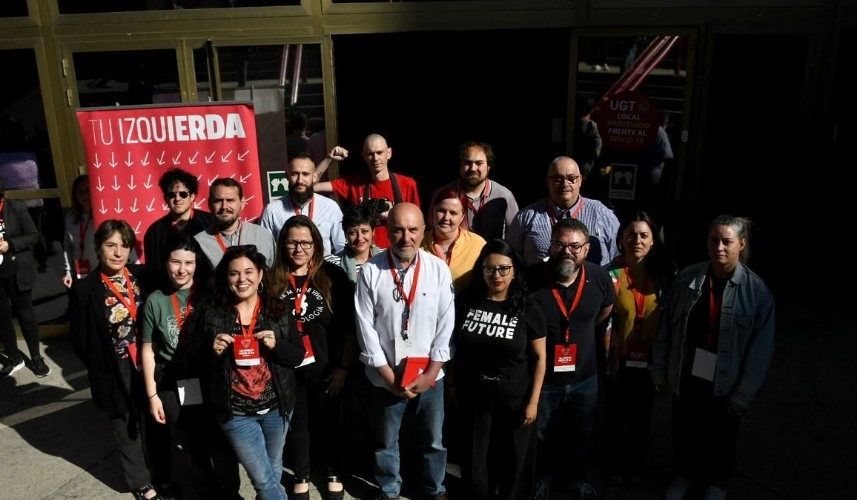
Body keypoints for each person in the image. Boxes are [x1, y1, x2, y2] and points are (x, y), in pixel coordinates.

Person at [651, 215, 775, 500]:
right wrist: (659, 370)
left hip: (726, 379)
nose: (719, 247)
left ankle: (716, 482)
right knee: (685, 429)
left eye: (726, 241)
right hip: (687, 372)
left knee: (721, 434)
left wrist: (744, 394)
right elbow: (666, 328)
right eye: (713, 240)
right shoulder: (688, 279)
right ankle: (684, 474)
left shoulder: (757, 292)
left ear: (741, 244)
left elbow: (761, 350)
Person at [354, 202, 454, 500]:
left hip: (429, 377)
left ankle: (435, 488)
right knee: (386, 441)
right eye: (397, 229)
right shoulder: (371, 270)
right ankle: (389, 490)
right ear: (386, 232)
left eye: (412, 229)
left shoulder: (437, 269)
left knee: (434, 440)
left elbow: (446, 324)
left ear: (424, 231)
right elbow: (365, 327)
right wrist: (387, 376)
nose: (405, 237)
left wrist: (432, 372)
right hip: (386, 376)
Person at [193, 245, 306, 500]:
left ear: (260, 274)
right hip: (237, 414)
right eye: (234, 273)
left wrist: (276, 345)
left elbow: (297, 355)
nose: (242, 279)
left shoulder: (277, 309)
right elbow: (197, 363)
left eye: (248, 272)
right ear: (226, 278)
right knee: (264, 481)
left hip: (277, 409)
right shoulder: (211, 312)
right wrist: (213, 351)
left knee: (273, 471)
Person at [68, 219, 161, 499]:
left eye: (124, 245)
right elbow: (80, 340)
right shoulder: (85, 290)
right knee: (125, 424)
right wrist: (101, 365)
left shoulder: (143, 276)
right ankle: (141, 482)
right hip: (115, 367)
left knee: (154, 419)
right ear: (98, 248)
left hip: (149, 360)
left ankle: (161, 472)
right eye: (111, 245)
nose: (118, 252)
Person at [527, 218, 615, 500]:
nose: (567, 251)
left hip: (584, 377)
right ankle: (544, 477)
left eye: (575, 246)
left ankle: (577, 479)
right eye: (560, 244)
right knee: (542, 435)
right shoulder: (531, 279)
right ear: (550, 246)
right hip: (544, 379)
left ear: (586, 249)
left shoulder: (599, 278)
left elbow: (604, 312)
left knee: (581, 433)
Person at [270, 215, 357, 500]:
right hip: (287, 369)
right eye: (292, 242)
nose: (299, 248)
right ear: (283, 244)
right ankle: (301, 473)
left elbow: (348, 328)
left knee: (331, 420)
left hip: (327, 367)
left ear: (316, 245)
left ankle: (333, 471)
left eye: (305, 242)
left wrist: (344, 366)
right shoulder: (272, 281)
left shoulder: (333, 277)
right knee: (297, 424)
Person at [454, 239, 547, 500]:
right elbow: (455, 349)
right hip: (475, 395)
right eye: (490, 269)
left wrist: (533, 402)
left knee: (514, 461)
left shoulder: (528, 307)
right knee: (475, 460)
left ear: (515, 270)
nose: (497, 275)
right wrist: (452, 385)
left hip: (516, 398)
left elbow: (540, 358)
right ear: (481, 270)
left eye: (504, 269)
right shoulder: (467, 301)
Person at [603, 211, 676, 485]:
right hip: (618, 359)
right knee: (615, 415)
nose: (637, 240)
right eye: (631, 234)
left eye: (644, 235)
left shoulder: (667, 276)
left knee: (642, 417)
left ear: (653, 240)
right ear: (621, 238)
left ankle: (634, 465)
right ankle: (612, 465)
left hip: (650, 359)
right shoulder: (610, 273)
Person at [140, 233, 213, 498]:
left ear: (196, 264)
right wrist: (152, 395)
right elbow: (147, 350)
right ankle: (202, 488)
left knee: (208, 435)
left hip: (206, 374)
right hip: (176, 376)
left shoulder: (207, 295)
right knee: (190, 435)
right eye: (175, 262)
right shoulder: (155, 300)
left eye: (188, 263)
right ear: (166, 262)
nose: (182, 269)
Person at [506, 156, 620, 267]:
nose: (565, 184)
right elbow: (509, 260)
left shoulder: (603, 215)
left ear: (580, 180)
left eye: (571, 178)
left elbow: (618, 261)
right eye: (558, 178)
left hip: (590, 285)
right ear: (548, 182)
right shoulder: (526, 217)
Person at [315, 134, 421, 249]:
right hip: (365, 255)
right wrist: (328, 159)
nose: (375, 158)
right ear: (363, 156)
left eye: (379, 153)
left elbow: (417, 224)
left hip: (398, 251)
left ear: (389, 153)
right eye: (370, 154)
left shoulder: (407, 184)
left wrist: (392, 215)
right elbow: (311, 186)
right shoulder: (354, 184)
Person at [0, 175, 49, 378]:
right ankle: (14, 358)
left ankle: (36, 358)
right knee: (1, 317)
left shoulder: (15, 208)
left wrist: (9, 245)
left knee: (25, 314)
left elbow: (33, 235)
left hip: (16, 270)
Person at [143, 167, 215, 290]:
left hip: (206, 292)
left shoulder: (210, 223)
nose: (177, 199)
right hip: (169, 294)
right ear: (166, 198)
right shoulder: (154, 232)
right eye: (172, 195)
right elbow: (153, 272)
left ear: (192, 197)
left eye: (183, 194)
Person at [259, 153, 346, 255]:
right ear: (287, 176)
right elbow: (264, 250)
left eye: (305, 174)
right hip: (286, 270)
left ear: (314, 177)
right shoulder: (272, 210)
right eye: (295, 174)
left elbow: (342, 248)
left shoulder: (330, 207)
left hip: (323, 269)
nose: (300, 180)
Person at [436, 141, 519, 241]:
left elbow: (515, 235)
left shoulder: (504, 195)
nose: (473, 168)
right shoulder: (442, 194)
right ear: (460, 165)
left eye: (479, 163)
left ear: (489, 166)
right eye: (467, 163)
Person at [195, 178, 276, 270]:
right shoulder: (199, 243)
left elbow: (275, 275)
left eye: (230, 200)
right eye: (218, 200)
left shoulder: (262, 235)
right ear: (210, 203)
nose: (224, 206)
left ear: (242, 203)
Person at [420, 187, 487, 294]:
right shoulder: (418, 243)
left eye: (453, 213)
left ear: (462, 216)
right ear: (433, 211)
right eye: (441, 211)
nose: (446, 217)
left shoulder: (478, 245)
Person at [324, 204, 382, 283]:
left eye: (364, 231)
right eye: (352, 233)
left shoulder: (386, 258)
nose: (359, 238)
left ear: (373, 232)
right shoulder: (331, 263)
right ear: (345, 235)